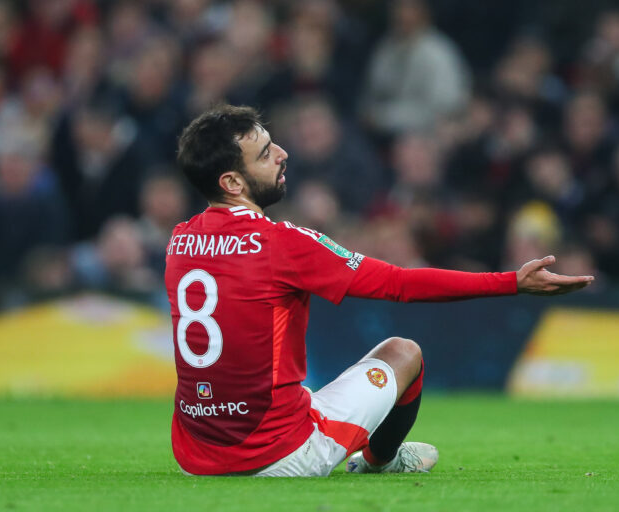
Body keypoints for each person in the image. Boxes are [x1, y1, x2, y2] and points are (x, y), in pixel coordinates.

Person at [165, 105, 593, 477]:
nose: (282, 154)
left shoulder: (178, 242)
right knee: (403, 353)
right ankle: (381, 461)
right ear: (233, 183)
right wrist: (511, 282)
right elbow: (399, 283)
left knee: (290, 391)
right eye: (265, 153)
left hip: (196, 454)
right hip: (279, 455)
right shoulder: (283, 243)